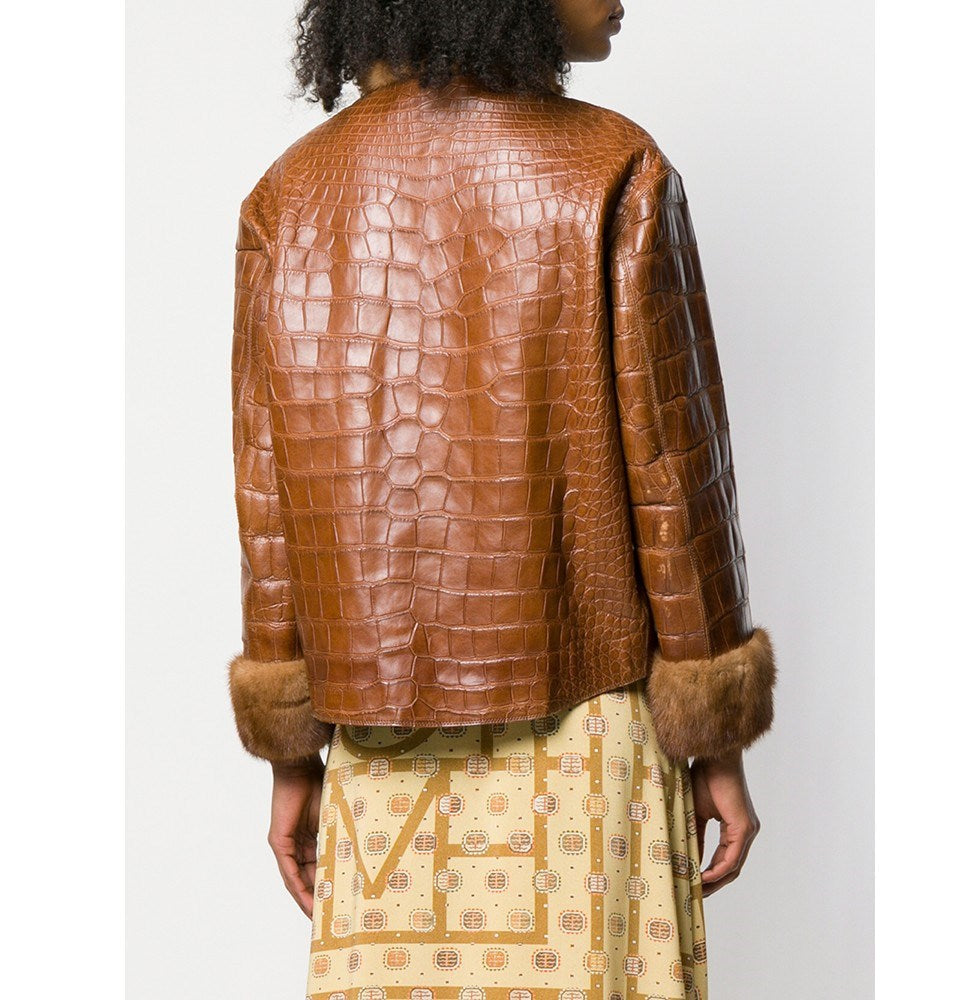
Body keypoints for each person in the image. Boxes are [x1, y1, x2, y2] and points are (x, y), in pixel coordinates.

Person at [226, 2, 778, 996]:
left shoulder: (288, 193)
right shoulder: (615, 166)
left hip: (378, 732)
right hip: (591, 718)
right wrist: (715, 736)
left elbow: (268, 507)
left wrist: (291, 757)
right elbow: (673, 471)